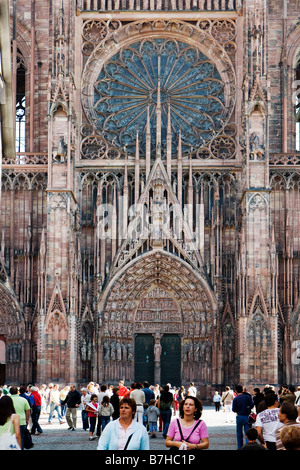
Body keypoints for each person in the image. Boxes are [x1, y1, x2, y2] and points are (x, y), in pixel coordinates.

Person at [232, 385, 254, 450]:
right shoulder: (247, 397)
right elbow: (252, 405)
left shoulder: (235, 399)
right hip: (247, 416)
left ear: (236, 391)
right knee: (247, 433)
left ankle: (240, 448)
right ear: (242, 390)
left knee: (239, 433)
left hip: (239, 416)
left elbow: (234, 409)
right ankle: (248, 447)